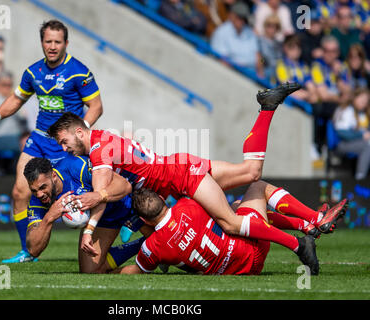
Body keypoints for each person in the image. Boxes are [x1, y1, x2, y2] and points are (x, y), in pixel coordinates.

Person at [47, 82, 348, 273]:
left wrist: (88, 229)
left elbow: (101, 191)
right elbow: (111, 189)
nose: (64, 148)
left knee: (230, 221)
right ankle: (268, 110)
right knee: (252, 174)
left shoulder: (98, 149)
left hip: (179, 178)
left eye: (63, 141)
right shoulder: (105, 137)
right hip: (179, 167)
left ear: (77, 131)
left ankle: (299, 244)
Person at [0, 20, 104, 263]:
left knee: (90, 190)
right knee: (19, 191)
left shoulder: (79, 72)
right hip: (39, 139)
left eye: (58, 41)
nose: (53, 46)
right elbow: (17, 99)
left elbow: (96, 106)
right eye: (48, 41)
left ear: (66, 43)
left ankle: (118, 226)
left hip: (65, 144)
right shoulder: (33, 72)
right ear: (42, 43)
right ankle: (28, 251)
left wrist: (79, 135)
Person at [113, 184, 338, 276]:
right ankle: (310, 224)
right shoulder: (189, 205)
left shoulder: (153, 248)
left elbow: (137, 271)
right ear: (163, 198)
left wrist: (107, 272)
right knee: (257, 188)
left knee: (239, 209)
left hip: (236, 271)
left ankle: (305, 226)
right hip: (252, 249)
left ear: (144, 219)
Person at [23, 156, 149, 272]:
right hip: (103, 219)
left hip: (128, 204)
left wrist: (98, 196)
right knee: (90, 271)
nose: (39, 194)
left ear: (54, 176)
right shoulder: (37, 200)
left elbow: (124, 186)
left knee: (165, 248)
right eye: (34, 190)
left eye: (43, 187)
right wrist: (49, 217)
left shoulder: (77, 166)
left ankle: (150, 241)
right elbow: (33, 250)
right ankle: (143, 244)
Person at [332, 88, 370, 179]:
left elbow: (369, 130)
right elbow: (341, 133)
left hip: (359, 143)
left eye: (365, 101)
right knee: (369, 145)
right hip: (342, 144)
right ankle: (360, 178)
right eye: (361, 100)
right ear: (355, 97)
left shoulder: (364, 114)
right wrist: (362, 135)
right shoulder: (346, 110)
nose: (363, 103)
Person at [210, 1, 264, 76]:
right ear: (232, 15)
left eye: (244, 18)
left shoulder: (250, 33)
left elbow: (259, 57)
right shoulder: (222, 32)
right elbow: (221, 60)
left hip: (252, 73)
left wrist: (261, 72)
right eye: (239, 17)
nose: (241, 21)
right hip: (232, 73)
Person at [275, 34, 319, 104]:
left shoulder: (304, 67)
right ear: (285, 47)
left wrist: (307, 94)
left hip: (302, 100)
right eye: (292, 46)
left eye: (299, 46)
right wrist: (307, 95)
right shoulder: (281, 64)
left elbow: (312, 89)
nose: (296, 50)